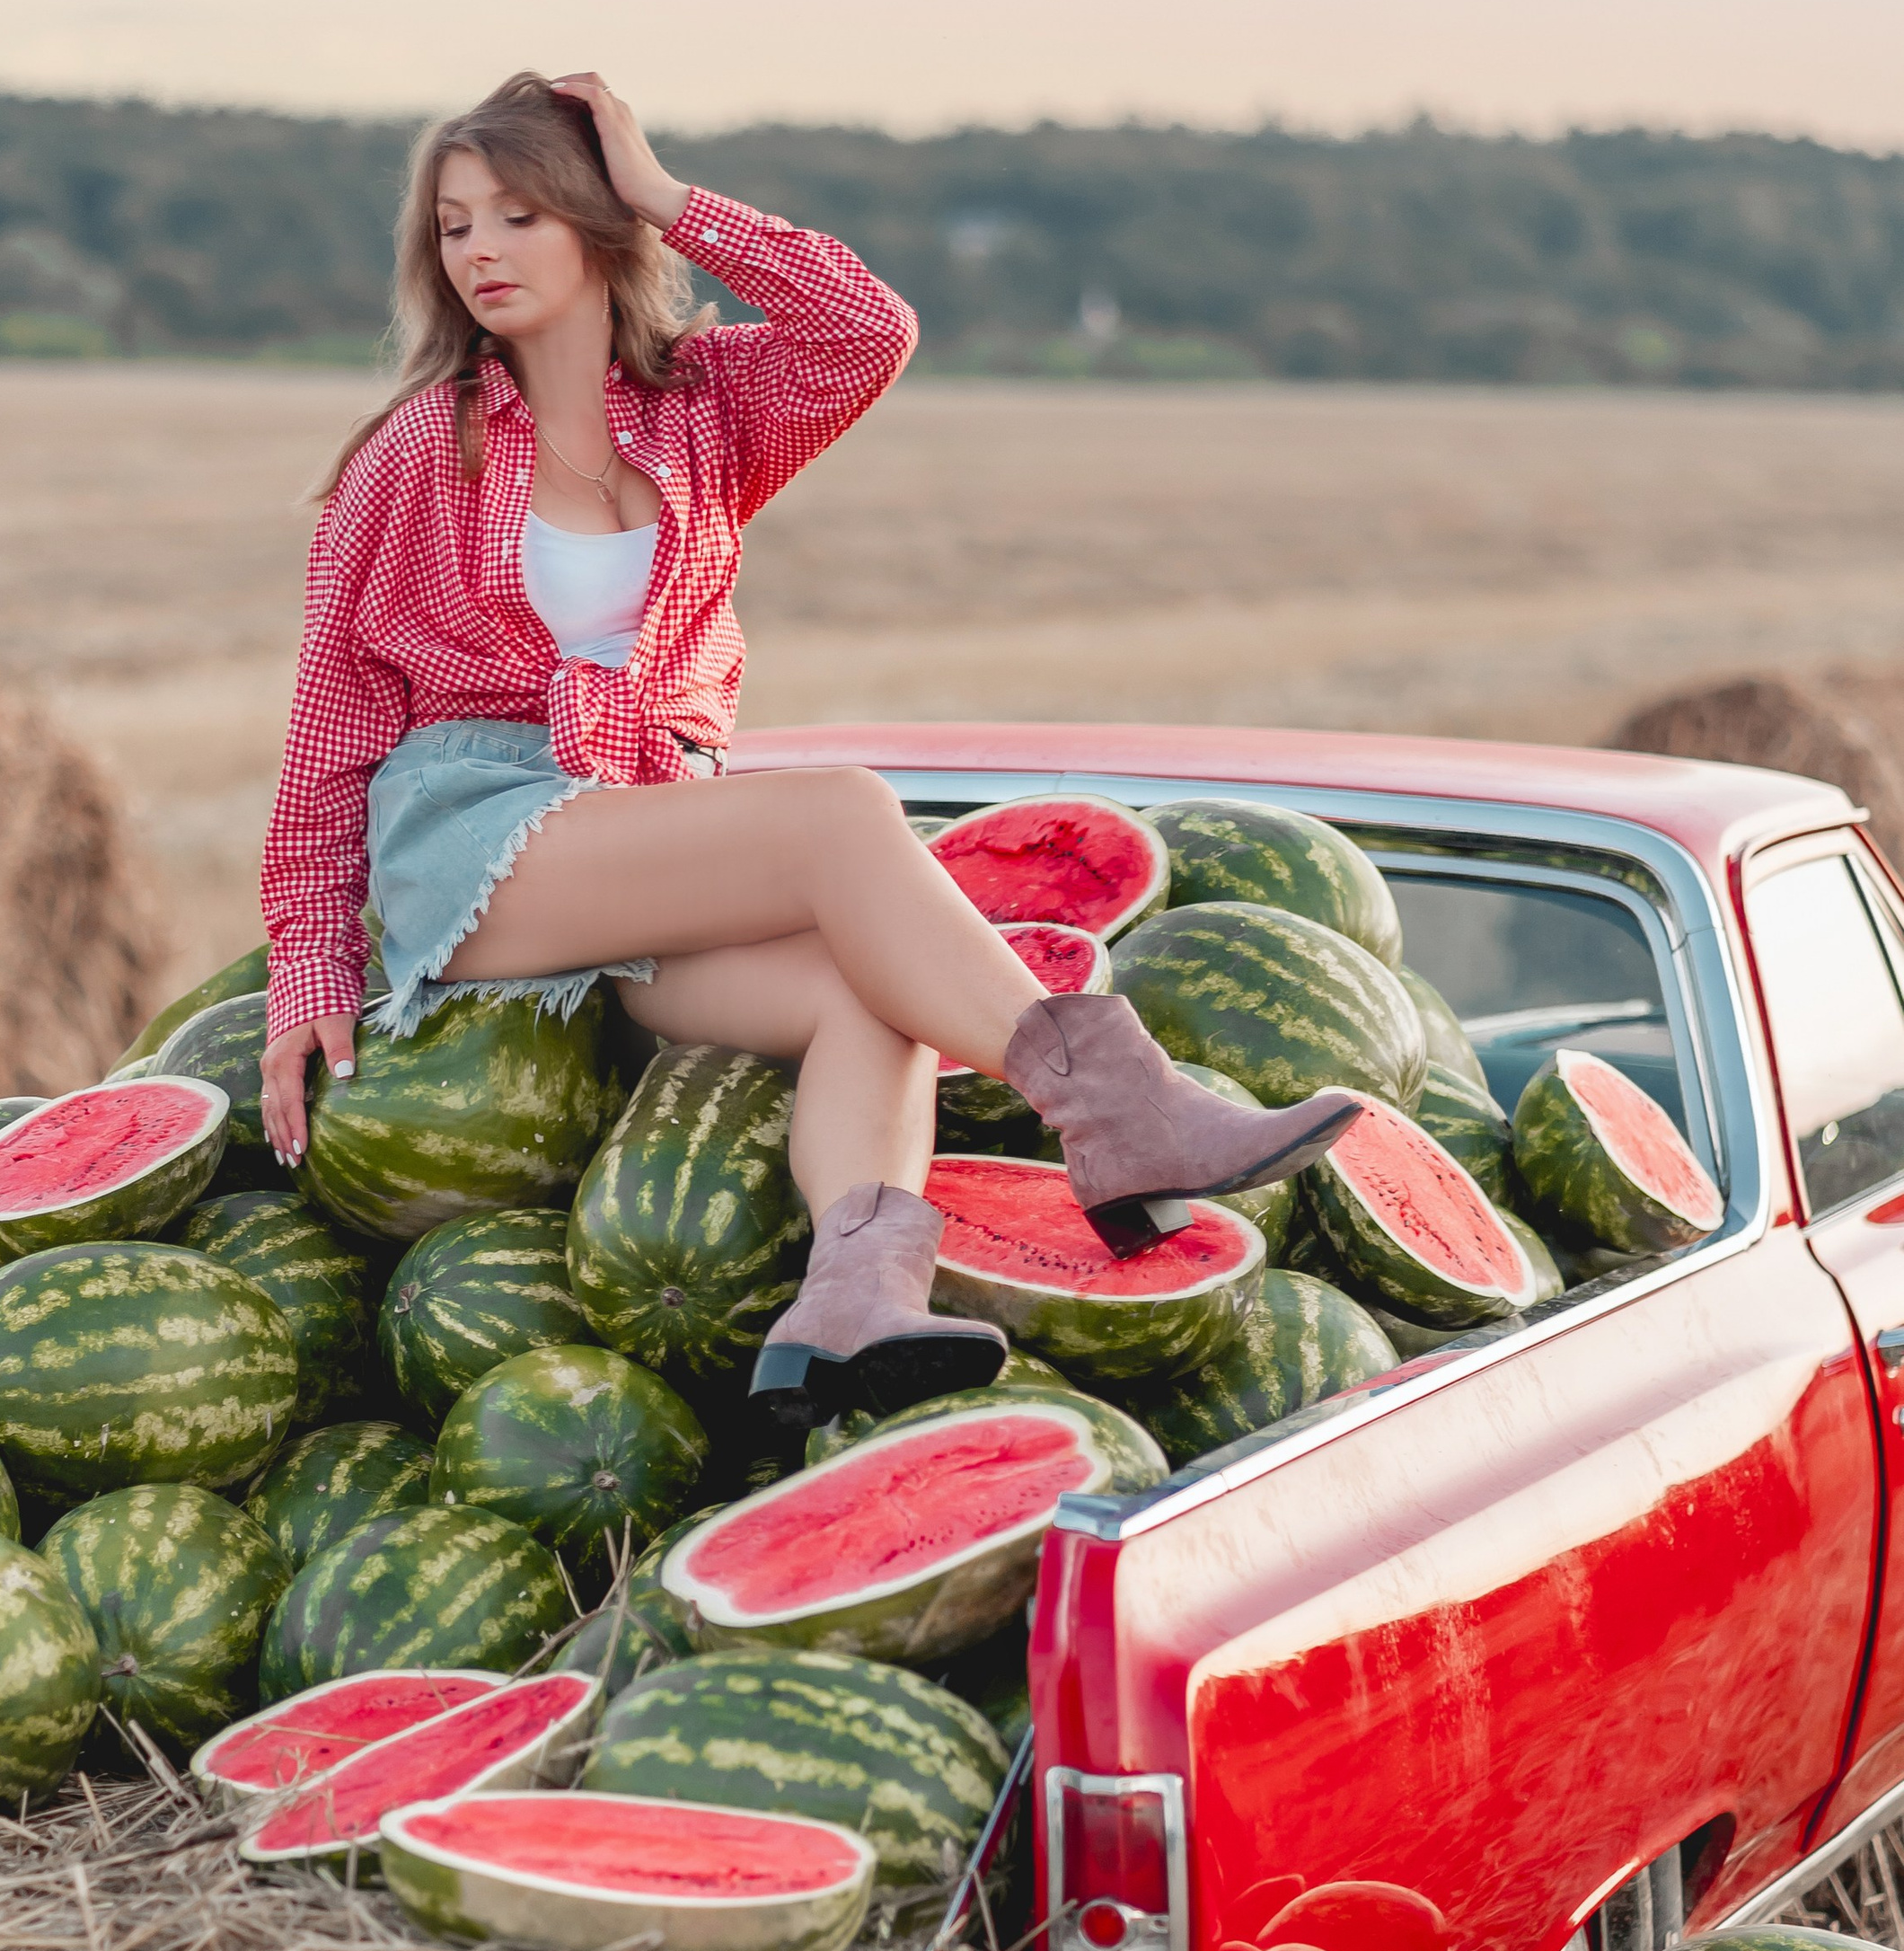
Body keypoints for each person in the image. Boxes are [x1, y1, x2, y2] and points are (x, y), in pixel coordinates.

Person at [258, 70, 1355, 1427]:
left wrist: (670, 194)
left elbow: (864, 329)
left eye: (521, 215)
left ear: (601, 227)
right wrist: (308, 953)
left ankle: (856, 1300)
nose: (478, 250)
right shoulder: (420, 450)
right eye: (455, 225)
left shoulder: (706, 411)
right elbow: (330, 721)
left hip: (649, 830)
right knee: (838, 813)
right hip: (483, 833)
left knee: (867, 993)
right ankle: (1122, 1114)